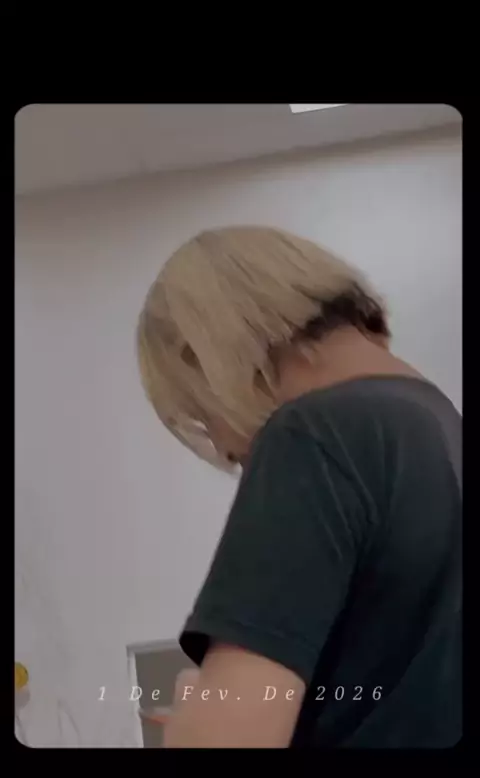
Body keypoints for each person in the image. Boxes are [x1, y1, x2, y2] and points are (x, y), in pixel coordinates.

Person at [137, 226, 462, 748]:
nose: (223, 446)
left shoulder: (313, 433)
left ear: (210, 357)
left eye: (201, 412)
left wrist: (195, 718)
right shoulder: (437, 424)